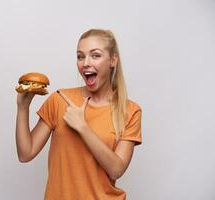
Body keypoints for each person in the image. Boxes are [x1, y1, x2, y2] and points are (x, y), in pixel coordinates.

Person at [15, 28, 142, 200]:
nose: (85, 63)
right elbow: (25, 153)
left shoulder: (130, 111)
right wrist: (22, 108)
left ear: (113, 60)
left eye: (95, 55)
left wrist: (82, 127)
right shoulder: (59, 99)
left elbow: (116, 169)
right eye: (80, 56)